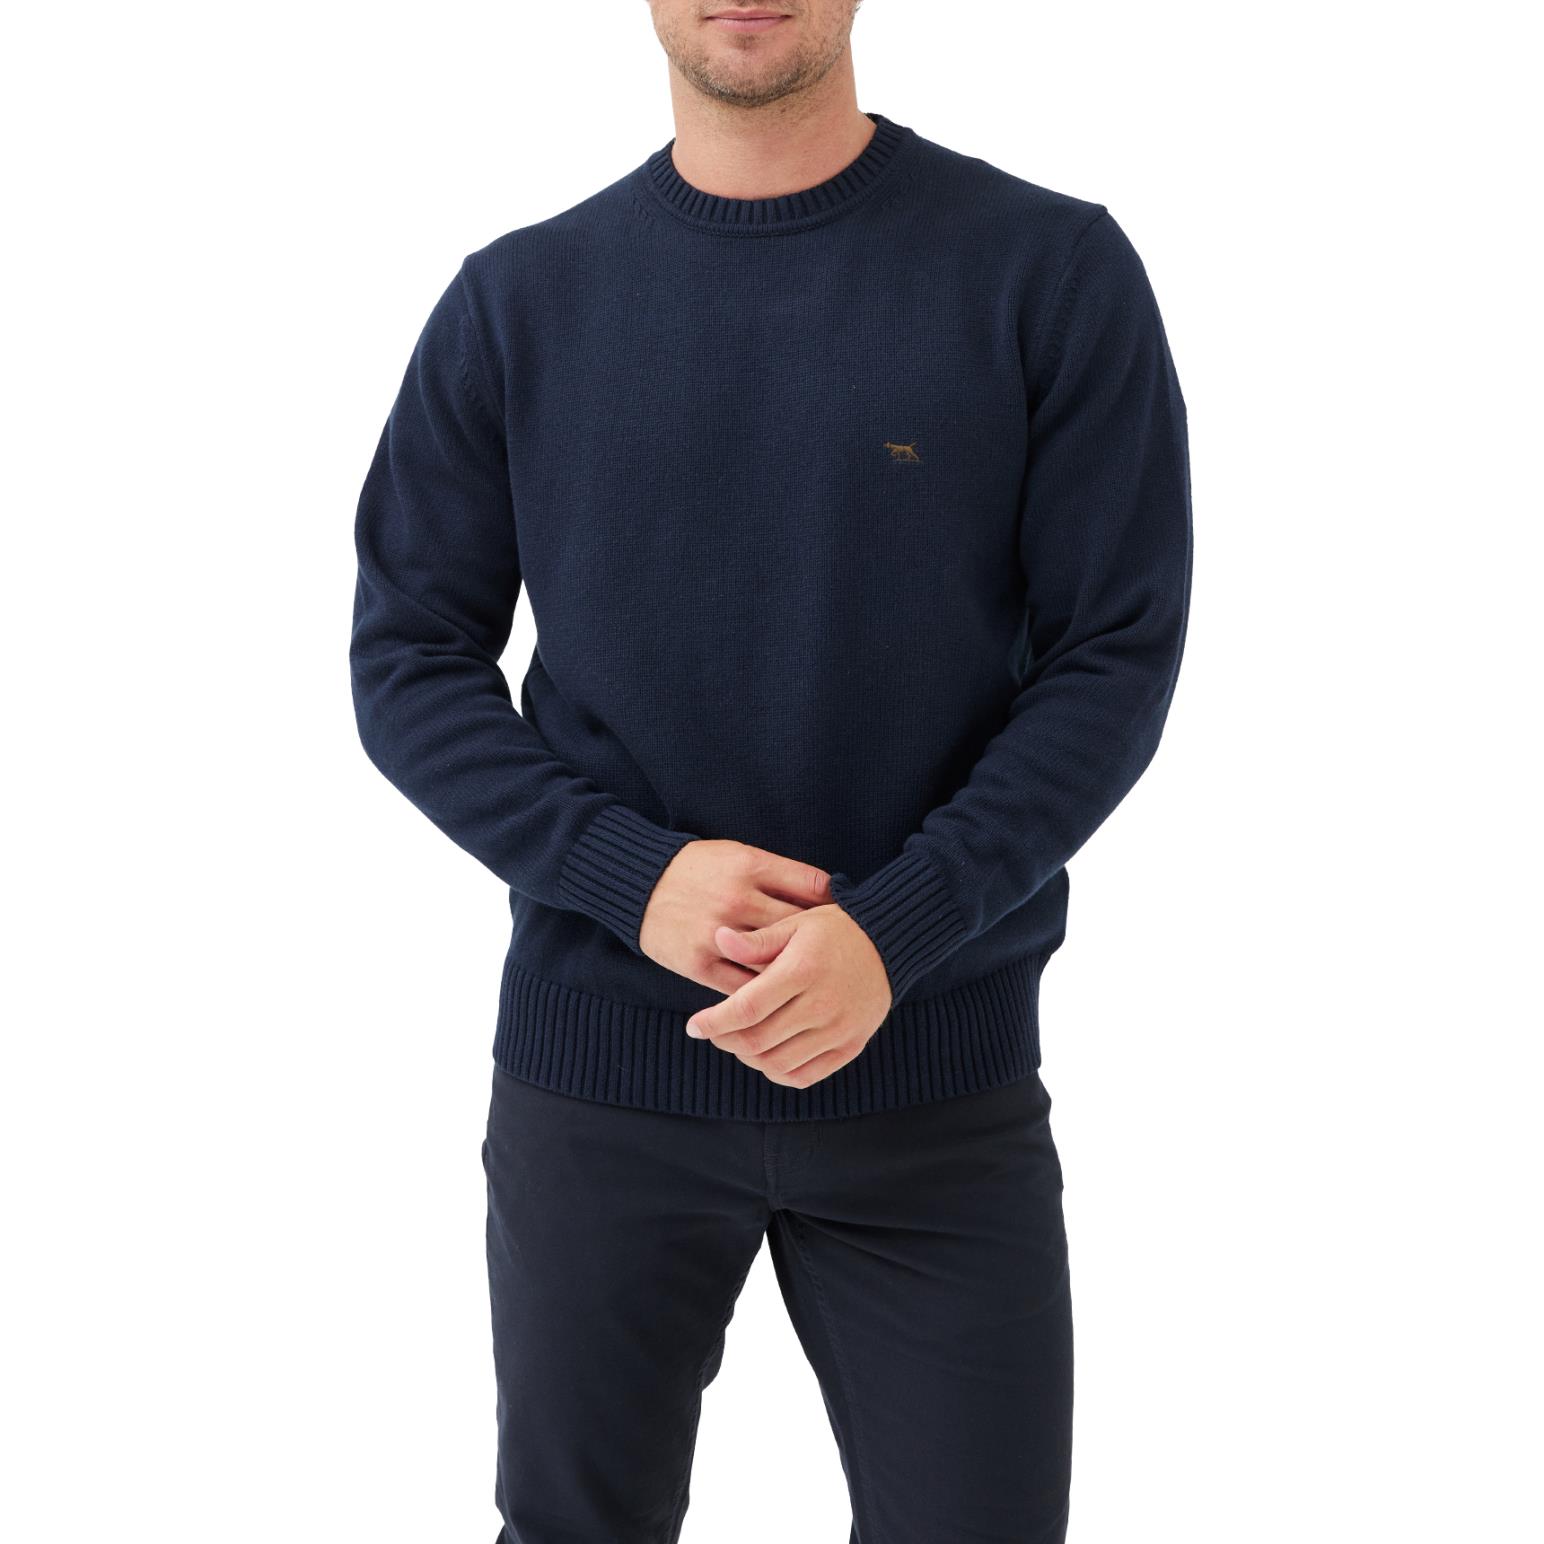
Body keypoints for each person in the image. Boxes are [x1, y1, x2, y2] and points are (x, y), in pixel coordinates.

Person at [349, 2, 1192, 1538]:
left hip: (936, 1087)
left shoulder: (1046, 270)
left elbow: (1114, 658)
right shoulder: (517, 303)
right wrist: (633, 877)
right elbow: (407, 657)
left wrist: (898, 930)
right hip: (600, 1080)